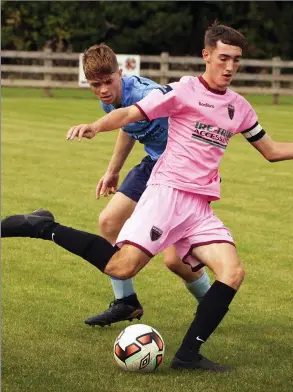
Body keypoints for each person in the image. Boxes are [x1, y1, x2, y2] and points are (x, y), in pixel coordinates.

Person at [1, 23, 293, 371]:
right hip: (167, 194)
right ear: (207, 55)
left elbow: (271, 151)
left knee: (232, 271)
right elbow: (131, 115)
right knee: (120, 265)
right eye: (223, 58)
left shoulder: (239, 107)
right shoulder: (181, 91)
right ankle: (43, 227)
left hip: (199, 205)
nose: (229, 67)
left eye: (237, 60)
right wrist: (96, 125)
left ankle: (187, 355)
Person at [80, 44, 212, 327]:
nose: (103, 89)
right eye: (96, 84)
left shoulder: (143, 94)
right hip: (154, 163)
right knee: (109, 222)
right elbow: (129, 127)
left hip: (184, 170)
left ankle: (211, 304)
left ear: (120, 73)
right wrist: (112, 171)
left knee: (176, 259)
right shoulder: (110, 100)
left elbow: (152, 108)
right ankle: (125, 303)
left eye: (108, 81)